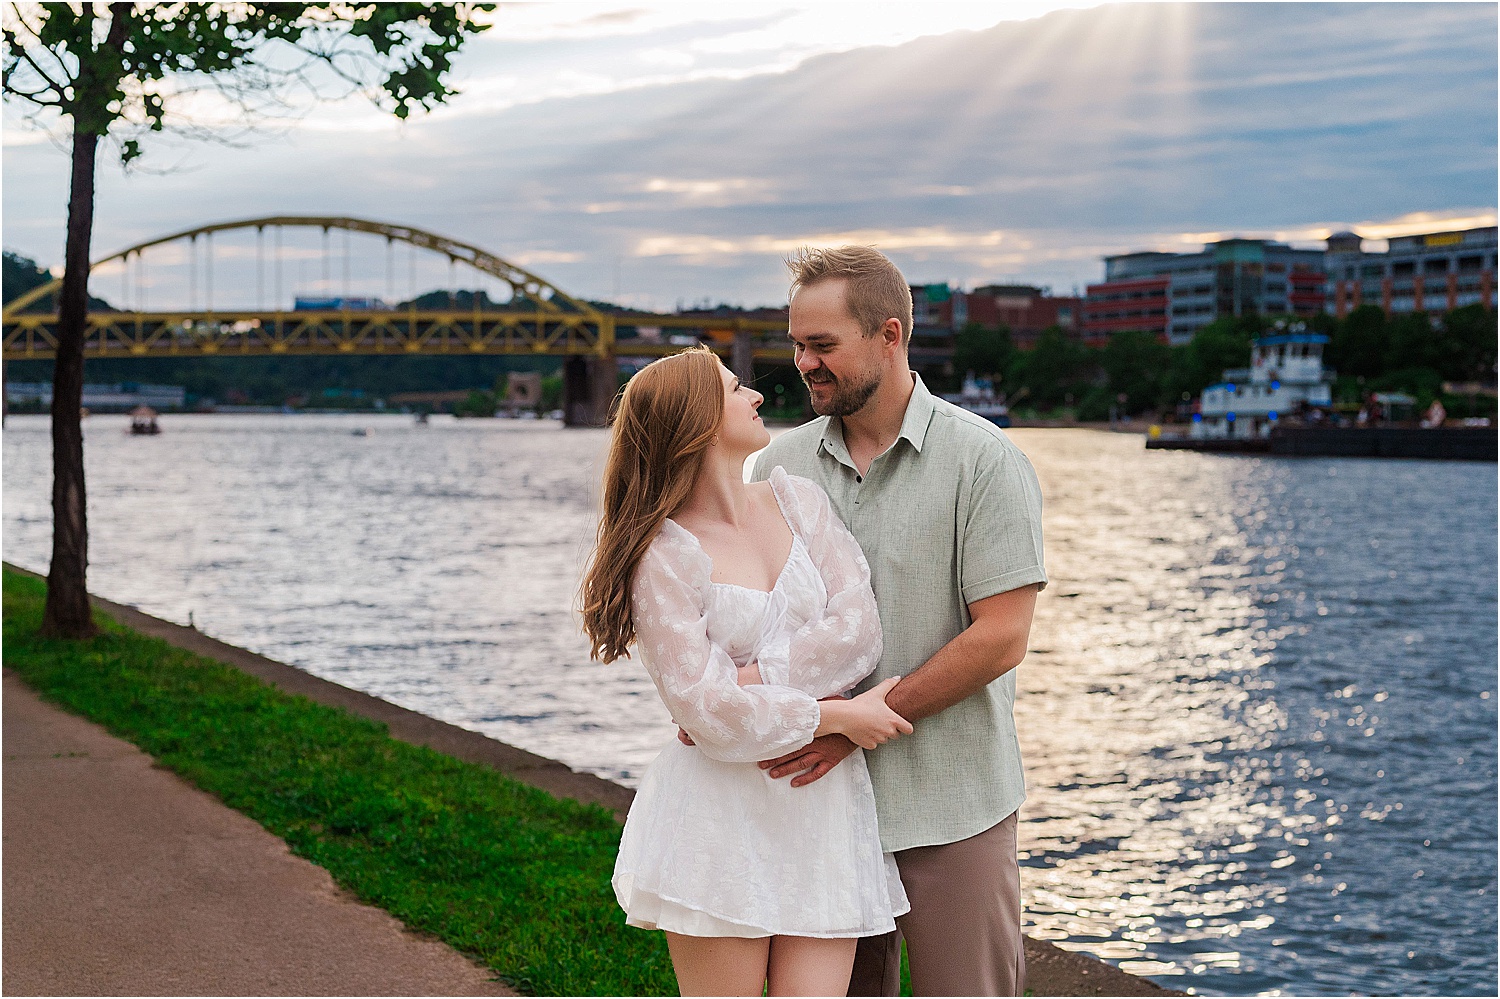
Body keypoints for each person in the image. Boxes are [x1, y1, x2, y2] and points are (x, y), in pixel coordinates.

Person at [751, 245, 1047, 996]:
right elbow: (752, 621)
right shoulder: (775, 467)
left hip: (952, 806)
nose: (803, 363)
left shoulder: (985, 461)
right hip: (816, 809)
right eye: (796, 344)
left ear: (889, 336)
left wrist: (858, 720)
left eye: (823, 346)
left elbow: (1002, 634)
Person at [579, 347, 913, 997]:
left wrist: (748, 681)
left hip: (821, 810)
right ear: (696, 420)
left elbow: (858, 635)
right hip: (718, 819)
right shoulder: (662, 553)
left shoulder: (800, 503)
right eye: (736, 389)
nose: (757, 396)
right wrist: (834, 714)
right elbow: (710, 719)